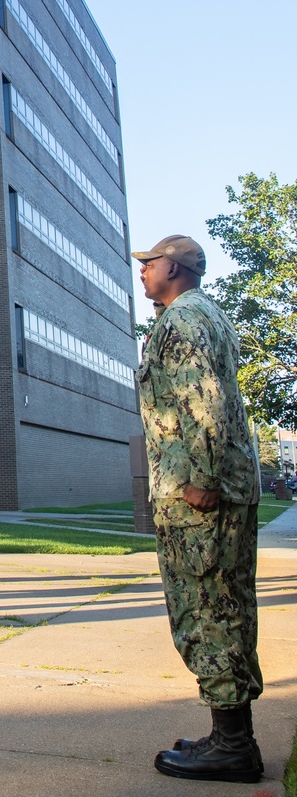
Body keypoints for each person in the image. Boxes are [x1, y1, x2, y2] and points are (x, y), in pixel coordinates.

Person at [135, 235, 263, 783]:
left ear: (175, 268)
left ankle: (233, 747)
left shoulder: (182, 320)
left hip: (200, 496)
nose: (143, 273)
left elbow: (202, 400)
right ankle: (229, 734)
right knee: (224, 604)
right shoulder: (204, 315)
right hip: (215, 490)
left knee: (207, 610)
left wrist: (202, 478)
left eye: (149, 264)